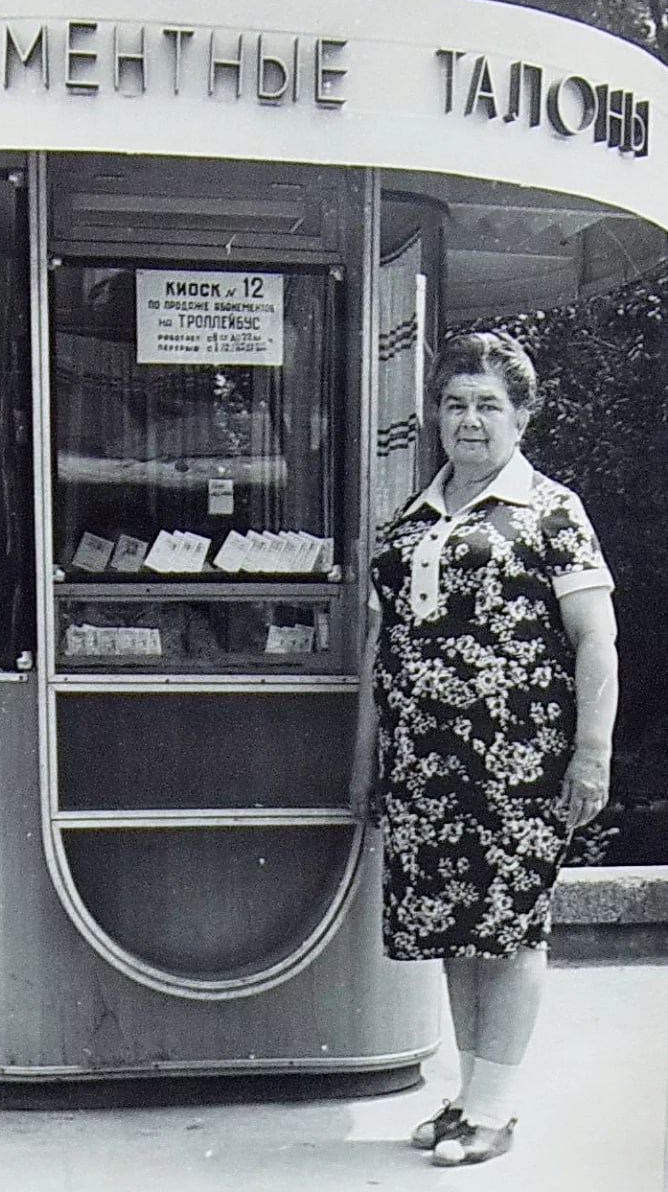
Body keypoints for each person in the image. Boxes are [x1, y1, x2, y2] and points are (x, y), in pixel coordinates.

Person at [351, 330, 617, 1168]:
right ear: (435, 415)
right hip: (424, 768)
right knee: (454, 930)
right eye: (455, 404)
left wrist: (592, 753)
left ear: (522, 417)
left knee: (509, 931)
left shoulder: (552, 510)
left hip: (519, 767)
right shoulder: (412, 517)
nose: (470, 421)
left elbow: (597, 639)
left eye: (489, 406)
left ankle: (496, 1110)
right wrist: (366, 764)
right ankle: (469, 1100)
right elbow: (381, 648)